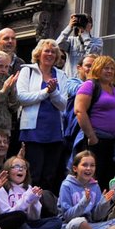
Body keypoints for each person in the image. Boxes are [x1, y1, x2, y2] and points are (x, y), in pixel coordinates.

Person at [17, 40, 73, 193]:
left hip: (54, 130)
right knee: (34, 172)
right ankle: (29, 206)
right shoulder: (27, 71)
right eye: (46, 51)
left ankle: (45, 209)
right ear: (39, 53)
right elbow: (22, 98)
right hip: (33, 130)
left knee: (50, 175)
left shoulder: (61, 75)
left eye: (53, 52)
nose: (50, 54)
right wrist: (45, 92)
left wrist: (53, 92)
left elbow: (63, 104)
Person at [57, 149, 115, 229]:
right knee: (80, 221)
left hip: (90, 225)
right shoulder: (66, 185)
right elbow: (67, 216)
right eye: (84, 165)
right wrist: (84, 202)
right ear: (75, 168)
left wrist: (104, 203)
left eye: (92, 165)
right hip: (70, 226)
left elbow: (96, 217)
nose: (89, 168)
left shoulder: (95, 186)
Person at [73, 56, 115, 187]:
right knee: (94, 177)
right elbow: (79, 110)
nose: (109, 71)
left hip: (114, 141)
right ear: (97, 69)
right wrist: (91, 136)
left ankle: (107, 206)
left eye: (112, 69)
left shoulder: (114, 88)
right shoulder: (90, 85)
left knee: (109, 178)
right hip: (96, 140)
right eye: (105, 68)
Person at [0, 156, 49, 229]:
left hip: (29, 223)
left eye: (24, 167)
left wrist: (35, 202)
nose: (21, 169)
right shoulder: (2, 189)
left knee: (56, 221)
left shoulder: (28, 188)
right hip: (11, 223)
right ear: (7, 171)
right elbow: (7, 215)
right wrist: (27, 200)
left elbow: (34, 218)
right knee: (22, 221)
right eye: (16, 166)